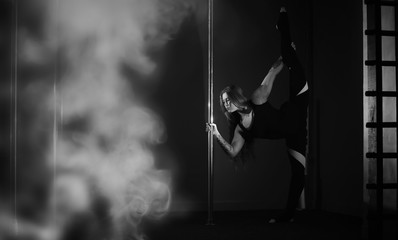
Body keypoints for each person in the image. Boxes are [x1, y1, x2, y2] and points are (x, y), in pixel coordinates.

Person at [208, 7, 308, 223]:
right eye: (223, 102)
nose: (225, 103)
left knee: (289, 56)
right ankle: (288, 216)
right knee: (298, 176)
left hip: (298, 103)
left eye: (227, 98)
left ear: (236, 97)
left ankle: (283, 20)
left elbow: (272, 72)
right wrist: (216, 134)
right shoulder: (241, 129)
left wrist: (285, 56)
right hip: (296, 133)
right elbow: (234, 152)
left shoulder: (258, 99)